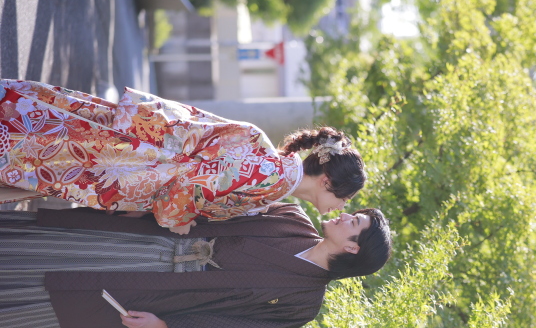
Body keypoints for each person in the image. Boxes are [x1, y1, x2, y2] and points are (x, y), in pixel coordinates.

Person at [0, 203, 391, 328]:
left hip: (159, 290)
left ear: (354, 249)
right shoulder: (292, 219)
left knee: (66, 289)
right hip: (156, 238)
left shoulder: (303, 302)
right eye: (352, 213)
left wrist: (164, 326)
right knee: (66, 243)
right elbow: (224, 201)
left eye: (353, 222)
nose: (344, 216)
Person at [0, 80, 365, 234]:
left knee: (51, 135)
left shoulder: (272, 169)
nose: (342, 207)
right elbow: (192, 182)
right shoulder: (270, 176)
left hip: (140, 150)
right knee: (43, 152)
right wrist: (176, 221)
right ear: (328, 181)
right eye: (344, 198)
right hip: (135, 164)